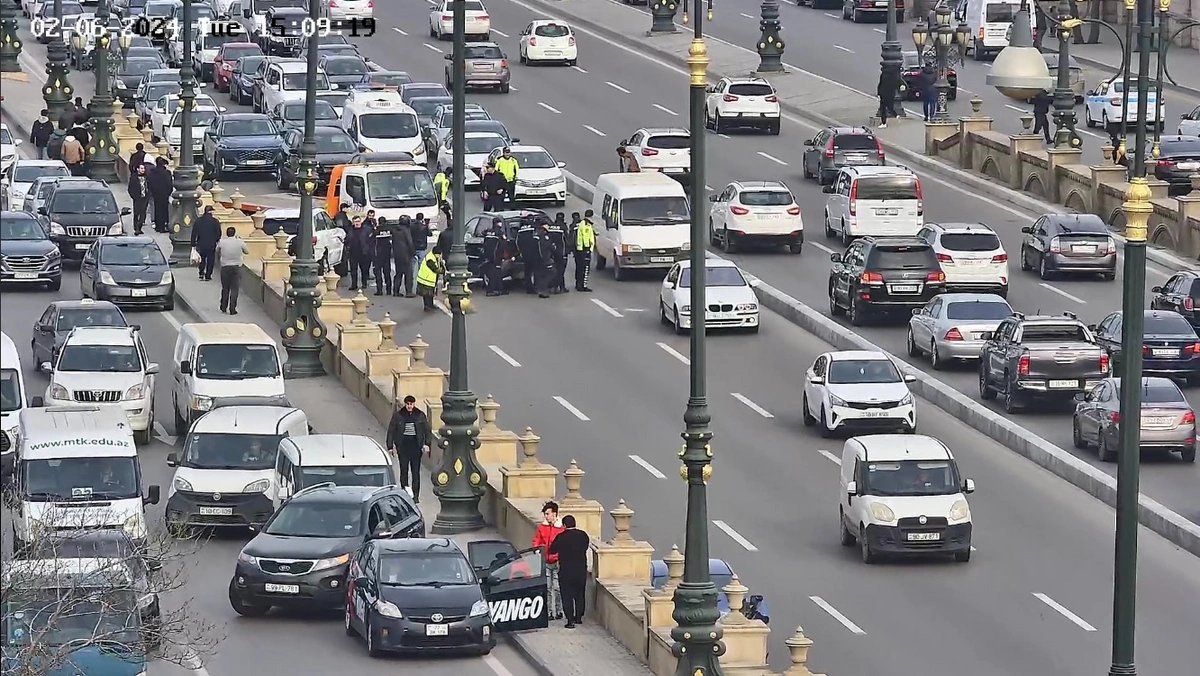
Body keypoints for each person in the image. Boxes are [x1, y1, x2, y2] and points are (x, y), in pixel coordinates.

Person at [385, 395, 431, 502]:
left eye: (411, 404)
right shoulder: (399, 416)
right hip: (403, 447)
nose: (409, 406)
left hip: (416, 447)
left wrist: (427, 444)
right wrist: (390, 446)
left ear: (414, 404)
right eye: (408, 404)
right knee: (404, 471)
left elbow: (427, 430)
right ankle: (405, 493)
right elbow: (391, 430)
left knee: (415, 472)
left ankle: (415, 496)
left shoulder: (420, 415)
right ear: (405, 404)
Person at [547, 514, 589, 628]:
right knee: (580, 594)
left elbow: (552, 550)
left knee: (567, 596)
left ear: (564, 525)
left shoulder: (561, 537)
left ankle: (570, 621)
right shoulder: (583, 535)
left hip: (566, 571)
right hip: (581, 570)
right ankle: (579, 618)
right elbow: (586, 546)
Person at [531, 501, 565, 621]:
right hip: (545, 561)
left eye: (547, 513)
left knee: (557, 588)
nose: (546, 516)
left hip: (557, 561)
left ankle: (559, 610)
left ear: (554, 514)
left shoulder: (561, 528)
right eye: (545, 514)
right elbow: (536, 540)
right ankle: (549, 612)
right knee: (547, 588)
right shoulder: (542, 527)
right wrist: (537, 550)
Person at [215, 226, 249, 314]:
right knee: (235, 289)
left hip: (225, 267)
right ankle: (232, 309)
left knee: (225, 288)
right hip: (236, 267)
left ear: (227, 233)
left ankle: (223, 306)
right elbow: (247, 251)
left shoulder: (222, 242)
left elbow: (217, 250)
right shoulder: (240, 242)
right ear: (234, 233)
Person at [191, 205, 222, 281]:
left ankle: (201, 272)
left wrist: (193, 243)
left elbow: (194, 233)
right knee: (210, 260)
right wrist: (216, 240)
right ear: (210, 212)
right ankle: (208, 275)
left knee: (202, 259)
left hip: (201, 244)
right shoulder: (215, 221)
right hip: (211, 244)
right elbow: (218, 233)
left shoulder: (198, 221)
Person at [345, 216, 374, 290]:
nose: (357, 223)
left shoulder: (366, 230)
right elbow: (347, 240)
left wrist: (368, 249)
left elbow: (371, 240)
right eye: (355, 222)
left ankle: (364, 283)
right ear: (353, 223)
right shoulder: (350, 230)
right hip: (353, 253)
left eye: (358, 221)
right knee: (353, 271)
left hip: (363, 253)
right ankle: (354, 285)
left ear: (360, 222)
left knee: (364, 270)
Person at [391, 215, 415, 297]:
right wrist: (413, 252)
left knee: (398, 273)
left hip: (397, 254)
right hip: (406, 254)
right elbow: (410, 242)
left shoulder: (395, 230)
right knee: (408, 274)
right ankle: (409, 292)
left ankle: (395, 291)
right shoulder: (406, 230)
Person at [148, 157, 173, 233]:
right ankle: (164, 226)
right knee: (164, 210)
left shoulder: (152, 173)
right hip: (164, 194)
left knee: (157, 209)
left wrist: (153, 192)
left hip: (156, 194)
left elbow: (150, 184)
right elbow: (169, 184)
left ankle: (158, 226)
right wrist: (168, 193)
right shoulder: (166, 173)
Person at [482, 217, 506, 296]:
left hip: (489, 255)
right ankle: (490, 290)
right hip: (496, 255)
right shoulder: (499, 232)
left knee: (496, 272)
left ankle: (500, 289)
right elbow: (503, 243)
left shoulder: (488, 232)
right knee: (495, 273)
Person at [409, 213, 431, 297]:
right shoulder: (424, 227)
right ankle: (419, 288)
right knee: (421, 269)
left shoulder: (412, 226)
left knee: (411, 268)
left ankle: (410, 288)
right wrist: (427, 225)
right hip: (421, 248)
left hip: (413, 248)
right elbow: (430, 234)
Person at [574, 210, 595, 292]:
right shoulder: (585, 225)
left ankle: (579, 284)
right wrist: (589, 248)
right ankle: (583, 286)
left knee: (579, 268)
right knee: (585, 268)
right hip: (584, 249)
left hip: (581, 249)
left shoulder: (584, 224)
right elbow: (585, 237)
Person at [548, 213, 569, 294]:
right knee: (561, 271)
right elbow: (566, 240)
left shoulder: (551, 226)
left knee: (554, 269)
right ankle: (559, 287)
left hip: (552, 252)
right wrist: (568, 250)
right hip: (561, 252)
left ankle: (555, 287)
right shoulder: (563, 227)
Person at [372, 216, 393, 296]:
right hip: (387, 254)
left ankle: (379, 290)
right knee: (387, 273)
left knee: (378, 273)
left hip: (378, 254)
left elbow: (371, 238)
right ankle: (388, 290)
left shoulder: (376, 230)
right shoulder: (389, 229)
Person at [516, 215, 537, 294]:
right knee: (535, 271)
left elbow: (517, 242)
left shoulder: (521, 230)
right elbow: (538, 240)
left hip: (525, 254)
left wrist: (521, 252)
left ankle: (529, 288)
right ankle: (536, 287)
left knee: (527, 272)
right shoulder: (534, 228)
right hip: (534, 254)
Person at [127, 163, 151, 235]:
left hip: (145, 197)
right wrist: (134, 197)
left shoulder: (146, 177)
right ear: (138, 169)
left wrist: (148, 194)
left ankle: (140, 226)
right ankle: (136, 228)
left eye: (143, 168)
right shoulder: (134, 177)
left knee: (143, 213)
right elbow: (130, 188)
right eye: (141, 168)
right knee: (136, 213)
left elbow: (149, 186)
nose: (143, 170)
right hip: (137, 198)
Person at [535, 219, 555, 299]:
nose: (549, 226)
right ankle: (543, 290)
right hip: (544, 258)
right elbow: (546, 246)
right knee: (551, 272)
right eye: (547, 225)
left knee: (541, 274)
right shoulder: (543, 234)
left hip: (536, 258)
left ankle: (540, 289)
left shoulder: (536, 233)